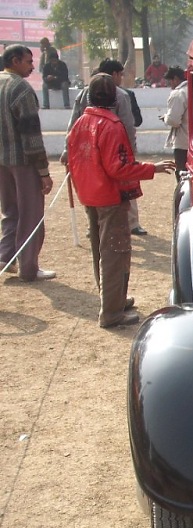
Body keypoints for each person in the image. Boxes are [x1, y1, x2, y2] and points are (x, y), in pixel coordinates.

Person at [67, 73, 174, 328]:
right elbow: (118, 168)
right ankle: (112, 312)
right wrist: (152, 169)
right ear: (115, 97)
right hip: (109, 196)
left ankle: (113, 299)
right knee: (114, 252)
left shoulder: (81, 123)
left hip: (89, 194)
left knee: (100, 250)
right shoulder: (112, 126)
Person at [63, 58, 148, 235]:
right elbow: (127, 127)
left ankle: (130, 222)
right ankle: (95, 222)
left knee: (122, 185)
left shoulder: (119, 95)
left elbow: (126, 125)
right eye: (121, 75)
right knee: (103, 184)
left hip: (102, 149)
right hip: (98, 148)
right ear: (114, 75)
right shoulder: (113, 94)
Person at [0, 44, 55, 281]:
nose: (33, 67)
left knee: (11, 211)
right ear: (14, 60)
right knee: (31, 215)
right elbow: (32, 135)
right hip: (23, 161)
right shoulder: (20, 88)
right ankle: (28, 268)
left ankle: (5, 258)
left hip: (2, 162)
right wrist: (43, 171)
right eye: (28, 62)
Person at [161, 66, 188, 182]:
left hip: (182, 141)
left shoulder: (178, 94)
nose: (169, 84)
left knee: (182, 173)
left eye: (170, 81)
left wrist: (165, 117)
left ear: (176, 79)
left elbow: (174, 121)